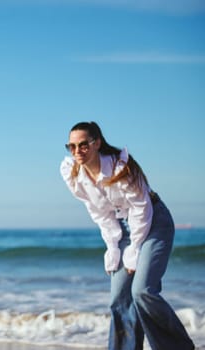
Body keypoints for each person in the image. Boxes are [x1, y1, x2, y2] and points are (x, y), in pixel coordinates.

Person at [60, 122, 194, 350]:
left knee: (142, 291)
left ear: (97, 143)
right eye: (71, 146)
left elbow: (143, 209)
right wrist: (113, 246)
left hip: (153, 221)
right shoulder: (73, 173)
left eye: (83, 145)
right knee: (119, 298)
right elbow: (99, 212)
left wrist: (134, 250)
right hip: (122, 226)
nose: (77, 152)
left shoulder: (120, 167)